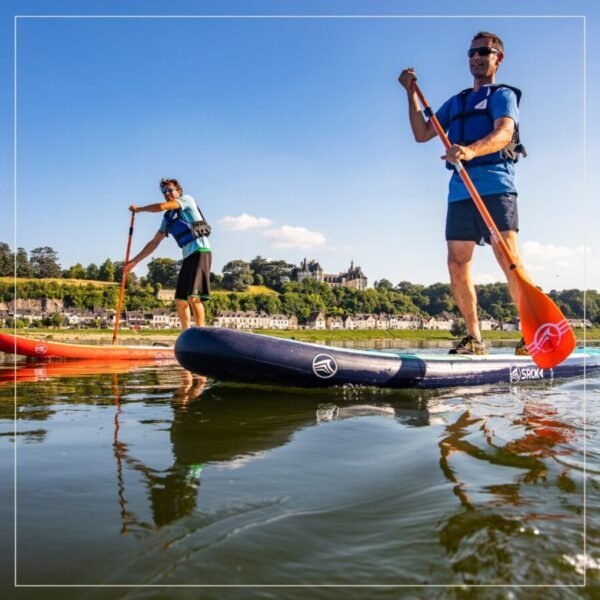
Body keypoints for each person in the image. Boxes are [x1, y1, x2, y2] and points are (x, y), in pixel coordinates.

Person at [398, 31, 528, 355]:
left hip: (496, 185)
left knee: (508, 258)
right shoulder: (455, 103)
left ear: (498, 58)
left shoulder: (502, 95)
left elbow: (504, 133)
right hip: (460, 192)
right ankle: (475, 339)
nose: (476, 57)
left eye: (484, 51)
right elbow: (421, 133)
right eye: (471, 53)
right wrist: (410, 93)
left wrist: (469, 151)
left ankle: (531, 334)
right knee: (457, 263)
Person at [124, 178, 212, 329]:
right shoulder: (168, 219)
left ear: (178, 191)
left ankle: (200, 332)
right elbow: (154, 243)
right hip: (188, 256)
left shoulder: (186, 200)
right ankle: (186, 336)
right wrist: (134, 261)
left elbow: (162, 206)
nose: (167, 194)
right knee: (180, 300)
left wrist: (139, 210)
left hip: (201, 251)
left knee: (193, 296)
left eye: (170, 190)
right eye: (164, 192)